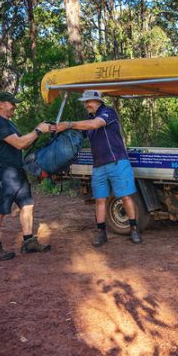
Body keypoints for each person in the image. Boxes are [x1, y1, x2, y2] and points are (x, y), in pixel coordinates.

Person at [54, 90, 143, 247]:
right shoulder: (89, 120)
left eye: (88, 101)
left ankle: (134, 229)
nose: (85, 105)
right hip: (98, 166)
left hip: (117, 162)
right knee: (100, 200)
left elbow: (96, 124)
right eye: (85, 102)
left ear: (98, 101)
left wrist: (68, 124)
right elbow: (78, 133)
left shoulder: (108, 112)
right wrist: (56, 130)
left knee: (125, 197)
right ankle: (101, 232)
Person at [0, 91, 52, 260]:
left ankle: (29, 242)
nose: (14, 106)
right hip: (2, 171)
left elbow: (24, 142)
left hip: (16, 170)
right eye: (11, 103)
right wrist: (38, 130)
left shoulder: (9, 123)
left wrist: (41, 130)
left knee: (27, 205)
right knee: (0, 209)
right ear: (0, 104)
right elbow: (19, 143)